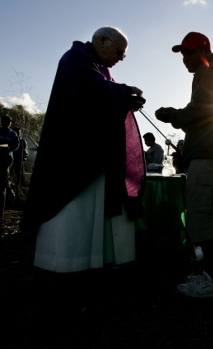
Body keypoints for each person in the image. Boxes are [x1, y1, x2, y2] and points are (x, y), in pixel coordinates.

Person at [20, 26, 146, 274]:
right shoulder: (75, 59)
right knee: (72, 211)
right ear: (102, 41)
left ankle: (91, 260)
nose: (121, 58)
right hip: (72, 154)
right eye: (119, 51)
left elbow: (105, 96)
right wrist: (123, 93)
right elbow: (89, 93)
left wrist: (125, 99)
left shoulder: (101, 69)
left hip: (95, 156)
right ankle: (64, 261)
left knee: (94, 212)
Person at [155, 31, 213, 299]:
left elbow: (205, 110)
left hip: (212, 159)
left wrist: (172, 115)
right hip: (212, 157)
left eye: (189, 51)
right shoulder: (212, 71)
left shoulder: (210, 70)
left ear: (203, 51)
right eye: (182, 53)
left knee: (206, 217)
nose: (185, 57)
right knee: (209, 216)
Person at [0, 115, 20, 218]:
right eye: (5, 121)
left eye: (9, 122)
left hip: (6, 160)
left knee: (4, 184)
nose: (7, 123)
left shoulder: (12, 134)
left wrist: (6, 147)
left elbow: (16, 145)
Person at [10, 126, 28, 193]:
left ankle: (18, 185)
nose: (17, 133)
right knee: (10, 172)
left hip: (19, 159)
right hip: (10, 159)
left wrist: (25, 157)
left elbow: (25, 150)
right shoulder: (11, 140)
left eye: (19, 132)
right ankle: (10, 183)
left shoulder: (23, 141)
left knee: (18, 173)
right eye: (16, 132)